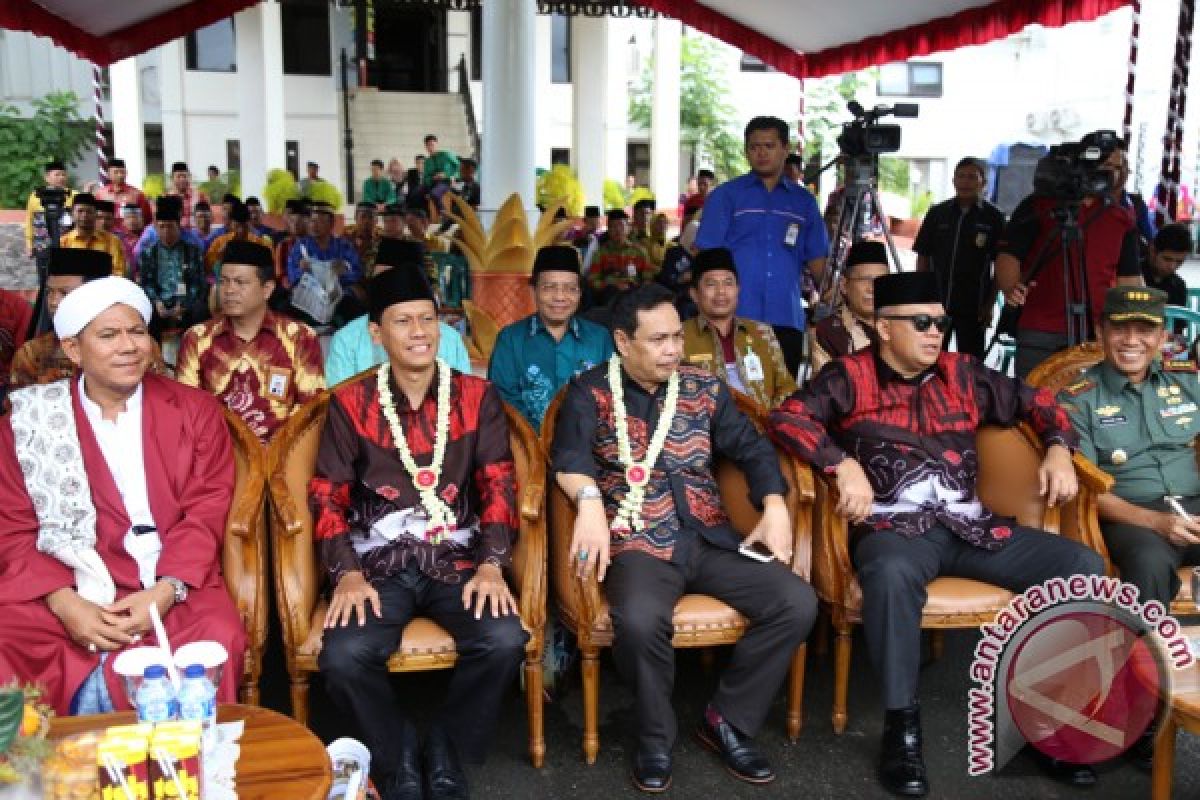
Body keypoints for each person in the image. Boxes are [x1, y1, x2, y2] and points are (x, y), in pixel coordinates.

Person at [768, 271, 1106, 796]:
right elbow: (788, 417)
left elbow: (1039, 403)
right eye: (921, 322)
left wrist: (1059, 446)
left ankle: (1053, 723)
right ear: (883, 327)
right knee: (889, 573)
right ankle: (902, 732)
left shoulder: (965, 374)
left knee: (1083, 567)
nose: (935, 333)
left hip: (972, 527)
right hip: (895, 530)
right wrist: (840, 464)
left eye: (941, 323)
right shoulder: (849, 377)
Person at [552, 283, 817, 793]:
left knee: (796, 602)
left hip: (709, 535)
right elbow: (570, 458)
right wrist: (588, 505)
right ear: (623, 342)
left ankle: (728, 721)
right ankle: (654, 737)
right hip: (638, 542)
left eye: (677, 336)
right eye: (658, 340)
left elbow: (754, 450)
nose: (674, 349)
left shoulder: (704, 388)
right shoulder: (590, 391)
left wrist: (776, 505)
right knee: (640, 619)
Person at [313, 265, 527, 799]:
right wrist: (345, 575)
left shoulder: (478, 397)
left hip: (457, 557)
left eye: (428, 319)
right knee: (342, 657)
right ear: (376, 333)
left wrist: (491, 564)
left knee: (504, 639)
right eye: (402, 321)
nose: (418, 332)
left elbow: (499, 484)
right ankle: (396, 752)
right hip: (377, 564)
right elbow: (327, 496)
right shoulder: (349, 403)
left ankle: (447, 748)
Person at [0, 276, 247, 715]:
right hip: (63, 581)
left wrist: (167, 590)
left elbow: (207, 508)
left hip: (173, 581)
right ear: (74, 349)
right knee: (8, 636)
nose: (129, 346)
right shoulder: (30, 423)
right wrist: (66, 603)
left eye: (137, 332)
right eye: (109, 335)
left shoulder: (196, 411)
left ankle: (188, 772)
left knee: (216, 634)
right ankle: (46, 776)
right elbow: (14, 527)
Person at [1058, 286, 1200, 770]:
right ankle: (1137, 712)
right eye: (1121, 328)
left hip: (1194, 505)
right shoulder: (1079, 397)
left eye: (1145, 329)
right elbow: (1087, 489)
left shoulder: (1185, 382)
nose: (1132, 340)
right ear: (1102, 333)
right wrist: (1156, 522)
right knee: (1147, 569)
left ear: (1163, 336)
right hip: (1131, 514)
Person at [996, 133, 1143, 379]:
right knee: (1033, 403)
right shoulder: (1038, 205)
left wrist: (1128, 323)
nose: (1115, 174)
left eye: (1120, 167)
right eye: (1107, 166)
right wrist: (1011, 290)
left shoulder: (1122, 217)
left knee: (1089, 408)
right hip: (1040, 328)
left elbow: (1129, 278)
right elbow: (1008, 257)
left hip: (1098, 330)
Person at [696, 116, 830, 376]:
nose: (761, 153)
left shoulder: (804, 202)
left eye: (769, 146)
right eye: (754, 147)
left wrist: (835, 297)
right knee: (734, 399)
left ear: (785, 148)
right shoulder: (725, 196)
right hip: (734, 316)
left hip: (786, 316)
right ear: (746, 151)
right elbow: (707, 259)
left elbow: (818, 261)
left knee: (784, 399)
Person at [176, 241, 325, 443]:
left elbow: (311, 410)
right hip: (216, 458)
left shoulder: (299, 337)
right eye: (224, 281)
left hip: (281, 460)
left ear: (267, 289)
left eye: (240, 282)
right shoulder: (197, 338)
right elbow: (187, 410)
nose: (229, 290)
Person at [489, 246, 613, 430]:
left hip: (589, 450)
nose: (560, 297)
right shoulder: (511, 339)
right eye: (549, 288)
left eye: (570, 289)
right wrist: (541, 440)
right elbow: (503, 400)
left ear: (579, 293)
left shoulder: (599, 338)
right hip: (527, 449)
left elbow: (612, 395)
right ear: (533, 291)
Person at [324, 238, 470, 385]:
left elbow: (466, 397)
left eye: (392, 280)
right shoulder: (347, 339)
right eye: (379, 280)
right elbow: (339, 401)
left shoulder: (450, 340)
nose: (383, 288)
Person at [11, 249, 163, 390]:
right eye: (50, 292)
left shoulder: (139, 347)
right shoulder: (32, 353)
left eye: (65, 293)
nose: (53, 301)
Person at [914, 157, 1006, 359]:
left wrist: (990, 305)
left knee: (970, 365)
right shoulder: (938, 213)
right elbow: (923, 256)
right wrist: (922, 297)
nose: (966, 182)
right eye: (961, 176)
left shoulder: (994, 218)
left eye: (972, 177)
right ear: (953, 180)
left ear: (983, 182)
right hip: (937, 303)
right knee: (932, 360)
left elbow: (1000, 265)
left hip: (973, 307)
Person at [683, 247, 795, 409]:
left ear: (738, 290)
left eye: (728, 283)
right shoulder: (679, 336)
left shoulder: (761, 332)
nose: (721, 291)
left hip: (763, 427)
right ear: (694, 294)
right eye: (711, 284)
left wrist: (773, 422)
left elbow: (786, 387)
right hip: (706, 431)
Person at [810, 240, 888, 373]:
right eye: (864, 279)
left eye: (881, 280)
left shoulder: (900, 326)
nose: (873, 288)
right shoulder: (830, 331)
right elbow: (826, 388)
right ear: (844, 285)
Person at [137, 196, 209, 339]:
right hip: (158, 304)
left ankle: (192, 356)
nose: (165, 231)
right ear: (156, 227)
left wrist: (183, 305)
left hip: (186, 304)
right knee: (145, 313)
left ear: (178, 226)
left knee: (200, 311)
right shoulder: (149, 253)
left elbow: (198, 283)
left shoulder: (192, 251)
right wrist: (157, 302)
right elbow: (146, 283)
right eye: (161, 227)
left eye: (170, 226)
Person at [286, 201, 363, 293]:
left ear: (331, 223)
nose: (314, 225)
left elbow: (357, 272)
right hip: (310, 293)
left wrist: (344, 270)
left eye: (321, 221)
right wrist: (302, 270)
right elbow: (292, 276)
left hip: (339, 292)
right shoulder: (301, 246)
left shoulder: (344, 245)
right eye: (312, 221)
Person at [586, 209, 656, 308]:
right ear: (608, 230)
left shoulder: (640, 251)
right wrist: (611, 284)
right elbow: (593, 280)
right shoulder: (601, 253)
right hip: (610, 294)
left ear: (628, 228)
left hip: (633, 294)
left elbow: (648, 278)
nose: (618, 230)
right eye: (613, 226)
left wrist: (636, 289)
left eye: (621, 226)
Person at [59, 193, 128, 278]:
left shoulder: (112, 241)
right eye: (80, 211)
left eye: (89, 211)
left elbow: (118, 273)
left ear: (95, 214)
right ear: (72, 214)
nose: (84, 215)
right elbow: (60, 277)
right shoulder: (63, 243)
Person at [205, 201, 274, 276]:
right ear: (231, 224)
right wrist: (219, 256)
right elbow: (207, 268)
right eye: (237, 226)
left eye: (245, 226)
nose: (240, 230)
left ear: (249, 224)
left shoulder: (260, 243)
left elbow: (270, 268)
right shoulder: (219, 242)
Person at [24, 159, 75, 260]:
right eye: (57, 175)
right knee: (44, 272)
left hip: (67, 244)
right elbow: (29, 220)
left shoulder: (74, 195)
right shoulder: (35, 196)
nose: (61, 178)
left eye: (63, 175)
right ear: (47, 177)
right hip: (42, 245)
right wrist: (29, 244)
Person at [93, 158, 153, 230]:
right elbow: (95, 217)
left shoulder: (137, 194)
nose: (120, 175)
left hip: (130, 238)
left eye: (122, 172)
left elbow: (147, 219)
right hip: (107, 236)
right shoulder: (100, 194)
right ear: (108, 175)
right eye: (116, 172)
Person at [1141, 223, 1191, 309]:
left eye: (1179, 261)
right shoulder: (1131, 276)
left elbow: (1179, 321)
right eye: (1167, 259)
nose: (1172, 267)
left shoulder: (1179, 286)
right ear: (1152, 251)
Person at [274, 198, 311, 288]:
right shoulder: (283, 245)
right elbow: (281, 274)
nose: (294, 225)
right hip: (291, 289)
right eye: (292, 222)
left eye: (298, 222)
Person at [163, 162, 208, 229]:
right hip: (176, 236)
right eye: (178, 176)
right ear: (172, 178)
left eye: (184, 176)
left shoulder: (200, 196)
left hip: (196, 236)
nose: (182, 179)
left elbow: (209, 218)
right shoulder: (166, 198)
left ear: (189, 177)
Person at [345, 202, 382, 278]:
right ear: (355, 218)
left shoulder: (383, 238)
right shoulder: (345, 236)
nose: (366, 221)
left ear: (377, 220)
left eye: (371, 217)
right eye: (363, 217)